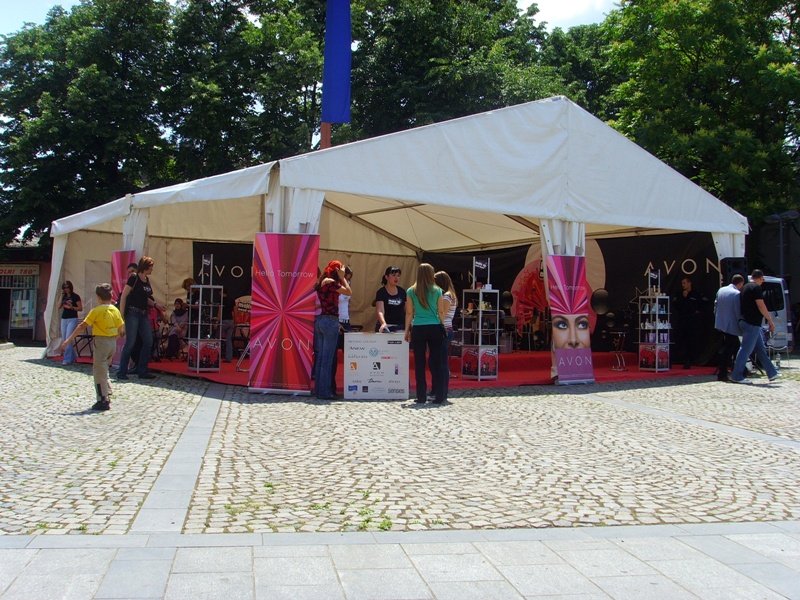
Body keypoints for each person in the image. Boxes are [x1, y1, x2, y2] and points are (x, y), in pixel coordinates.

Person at [60, 283, 125, 411]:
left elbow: (82, 326)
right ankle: (107, 393)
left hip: (101, 342)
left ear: (98, 297)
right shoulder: (115, 310)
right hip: (112, 342)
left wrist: (68, 340)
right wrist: (114, 338)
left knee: (98, 371)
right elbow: (122, 330)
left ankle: (102, 400)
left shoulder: (96, 311)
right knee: (104, 369)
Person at [404, 263, 447, 404]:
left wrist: (407, 331)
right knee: (437, 362)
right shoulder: (437, 290)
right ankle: (439, 395)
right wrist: (442, 324)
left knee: (419, 363)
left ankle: (421, 396)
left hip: (418, 327)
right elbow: (441, 311)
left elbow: (409, 313)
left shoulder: (411, 291)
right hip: (434, 326)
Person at [117, 256, 164, 380]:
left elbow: (145, 298)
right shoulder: (134, 278)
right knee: (130, 342)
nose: (152, 269)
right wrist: (121, 315)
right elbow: (124, 296)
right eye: (151, 267)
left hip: (143, 314)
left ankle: (142, 370)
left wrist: (156, 305)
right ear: (146, 267)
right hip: (132, 313)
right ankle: (122, 372)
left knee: (148, 341)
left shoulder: (147, 279)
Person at [731, 270, 780, 383]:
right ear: (760, 278)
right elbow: (761, 305)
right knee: (745, 349)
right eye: (762, 279)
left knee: (760, 349)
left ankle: (772, 373)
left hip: (745, 321)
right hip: (752, 323)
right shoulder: (756, 288)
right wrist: (770, 320)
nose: (763, 281)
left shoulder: (744, 288)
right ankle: (737, 375)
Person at [313, 260, 351, 399]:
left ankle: (319, 390)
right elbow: (349, 292)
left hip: (320, 320)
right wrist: (342, 277)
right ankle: (324, 392)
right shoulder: (332, 282)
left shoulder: (322, 281)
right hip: (330, 321)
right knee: (327, 359)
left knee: (321, 358)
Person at [714, 274, 745, 382]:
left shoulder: (721, 290)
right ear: (740, 284)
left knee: (734, 347)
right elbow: (738, 312)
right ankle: (723, 372)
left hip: (720, 323)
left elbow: (716, 306)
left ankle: (738, 369)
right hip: (731, 325)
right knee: (729, 349)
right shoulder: (736, 294)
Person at [433, 270, 458, 399]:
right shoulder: (450, 295)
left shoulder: (447, 296)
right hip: (447, 329)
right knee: (440, 361)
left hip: (445, 330)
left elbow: (441, 313)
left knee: (441, 363)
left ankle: (442, 392)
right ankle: (440, 391)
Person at [673, 276, 702, 368]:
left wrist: (695, 310)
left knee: (691, 341)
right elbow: (677, 306)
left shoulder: (695, 293)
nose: (683, 285)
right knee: (681, 340)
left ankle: (690, 359)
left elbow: (698, 305)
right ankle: (679, 359)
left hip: (692, 321)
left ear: (689, 283)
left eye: (684, 283)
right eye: (682, 283)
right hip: (682, 320)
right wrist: (684, 298)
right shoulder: (679, 294)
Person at [58, 280, 83, 365]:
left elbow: (80, 308)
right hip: (64, 318)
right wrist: (61, 296)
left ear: (70, 287)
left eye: (67, 287)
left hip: (72, 318)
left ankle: (67, 359)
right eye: (64, 288)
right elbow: (58, 306)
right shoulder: (64, 296)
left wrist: (72, 307)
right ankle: (73, 356)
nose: (66, 289)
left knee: (68, 337)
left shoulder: (75, 296)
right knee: (64, 338)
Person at [375, 266, 406, 332]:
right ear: (386, 277)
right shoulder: (381, 292)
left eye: (398, 276)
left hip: (400, 327)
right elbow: (380, 311)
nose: (396, 278)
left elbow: (407, 310)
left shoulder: (402, 292)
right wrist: (383, 323)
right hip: (386, 327)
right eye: (393, 275)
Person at [220, 291, 235, 362]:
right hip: (231, 320)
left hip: (224, 321)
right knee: (229, 340)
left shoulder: (221, 300)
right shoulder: (232, 300)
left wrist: (217, 320)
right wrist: (234, 320)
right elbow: (234, 310)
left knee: (217, 338)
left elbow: (220, 311)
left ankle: (216, 355)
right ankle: (229, 357)